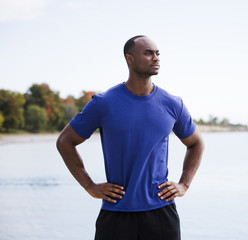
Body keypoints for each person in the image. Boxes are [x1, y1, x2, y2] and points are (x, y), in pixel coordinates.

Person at [56, 35, 205, 240]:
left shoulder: (172, 104)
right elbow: (65, 141)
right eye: (148, 53)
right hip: (116, 213)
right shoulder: (104, 103)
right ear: (130, 59)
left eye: (157, 53)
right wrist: (89, 186)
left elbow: (196, 143)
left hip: (161, 212)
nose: (156, 58)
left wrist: (184, 184)